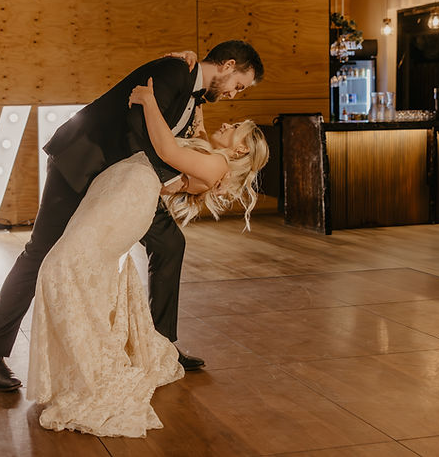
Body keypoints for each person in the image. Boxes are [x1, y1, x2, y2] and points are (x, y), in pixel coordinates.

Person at [0, 41, 265, 392]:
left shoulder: (196, 98)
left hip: (126, 182)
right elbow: (138, 126)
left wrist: (214, 178)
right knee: (40, 253)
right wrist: (176, 180)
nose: (235, 94)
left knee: (170, 244)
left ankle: (160, 347)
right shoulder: (175, 71)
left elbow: (191, 146)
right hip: (83, 164)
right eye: (239, 85)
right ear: (228, 65)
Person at [26, 79, 269, 437]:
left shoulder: (216, 166)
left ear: (240, 150)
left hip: (130, 194)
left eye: (236, 129)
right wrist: (196, 94)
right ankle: (80, 367)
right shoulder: (212, 157)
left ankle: (92, 369)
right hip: (115, 187)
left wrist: (148, 98)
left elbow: (168, 151)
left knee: (62, 267)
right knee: (77, 270)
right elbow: (195, 135)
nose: (228, 124)